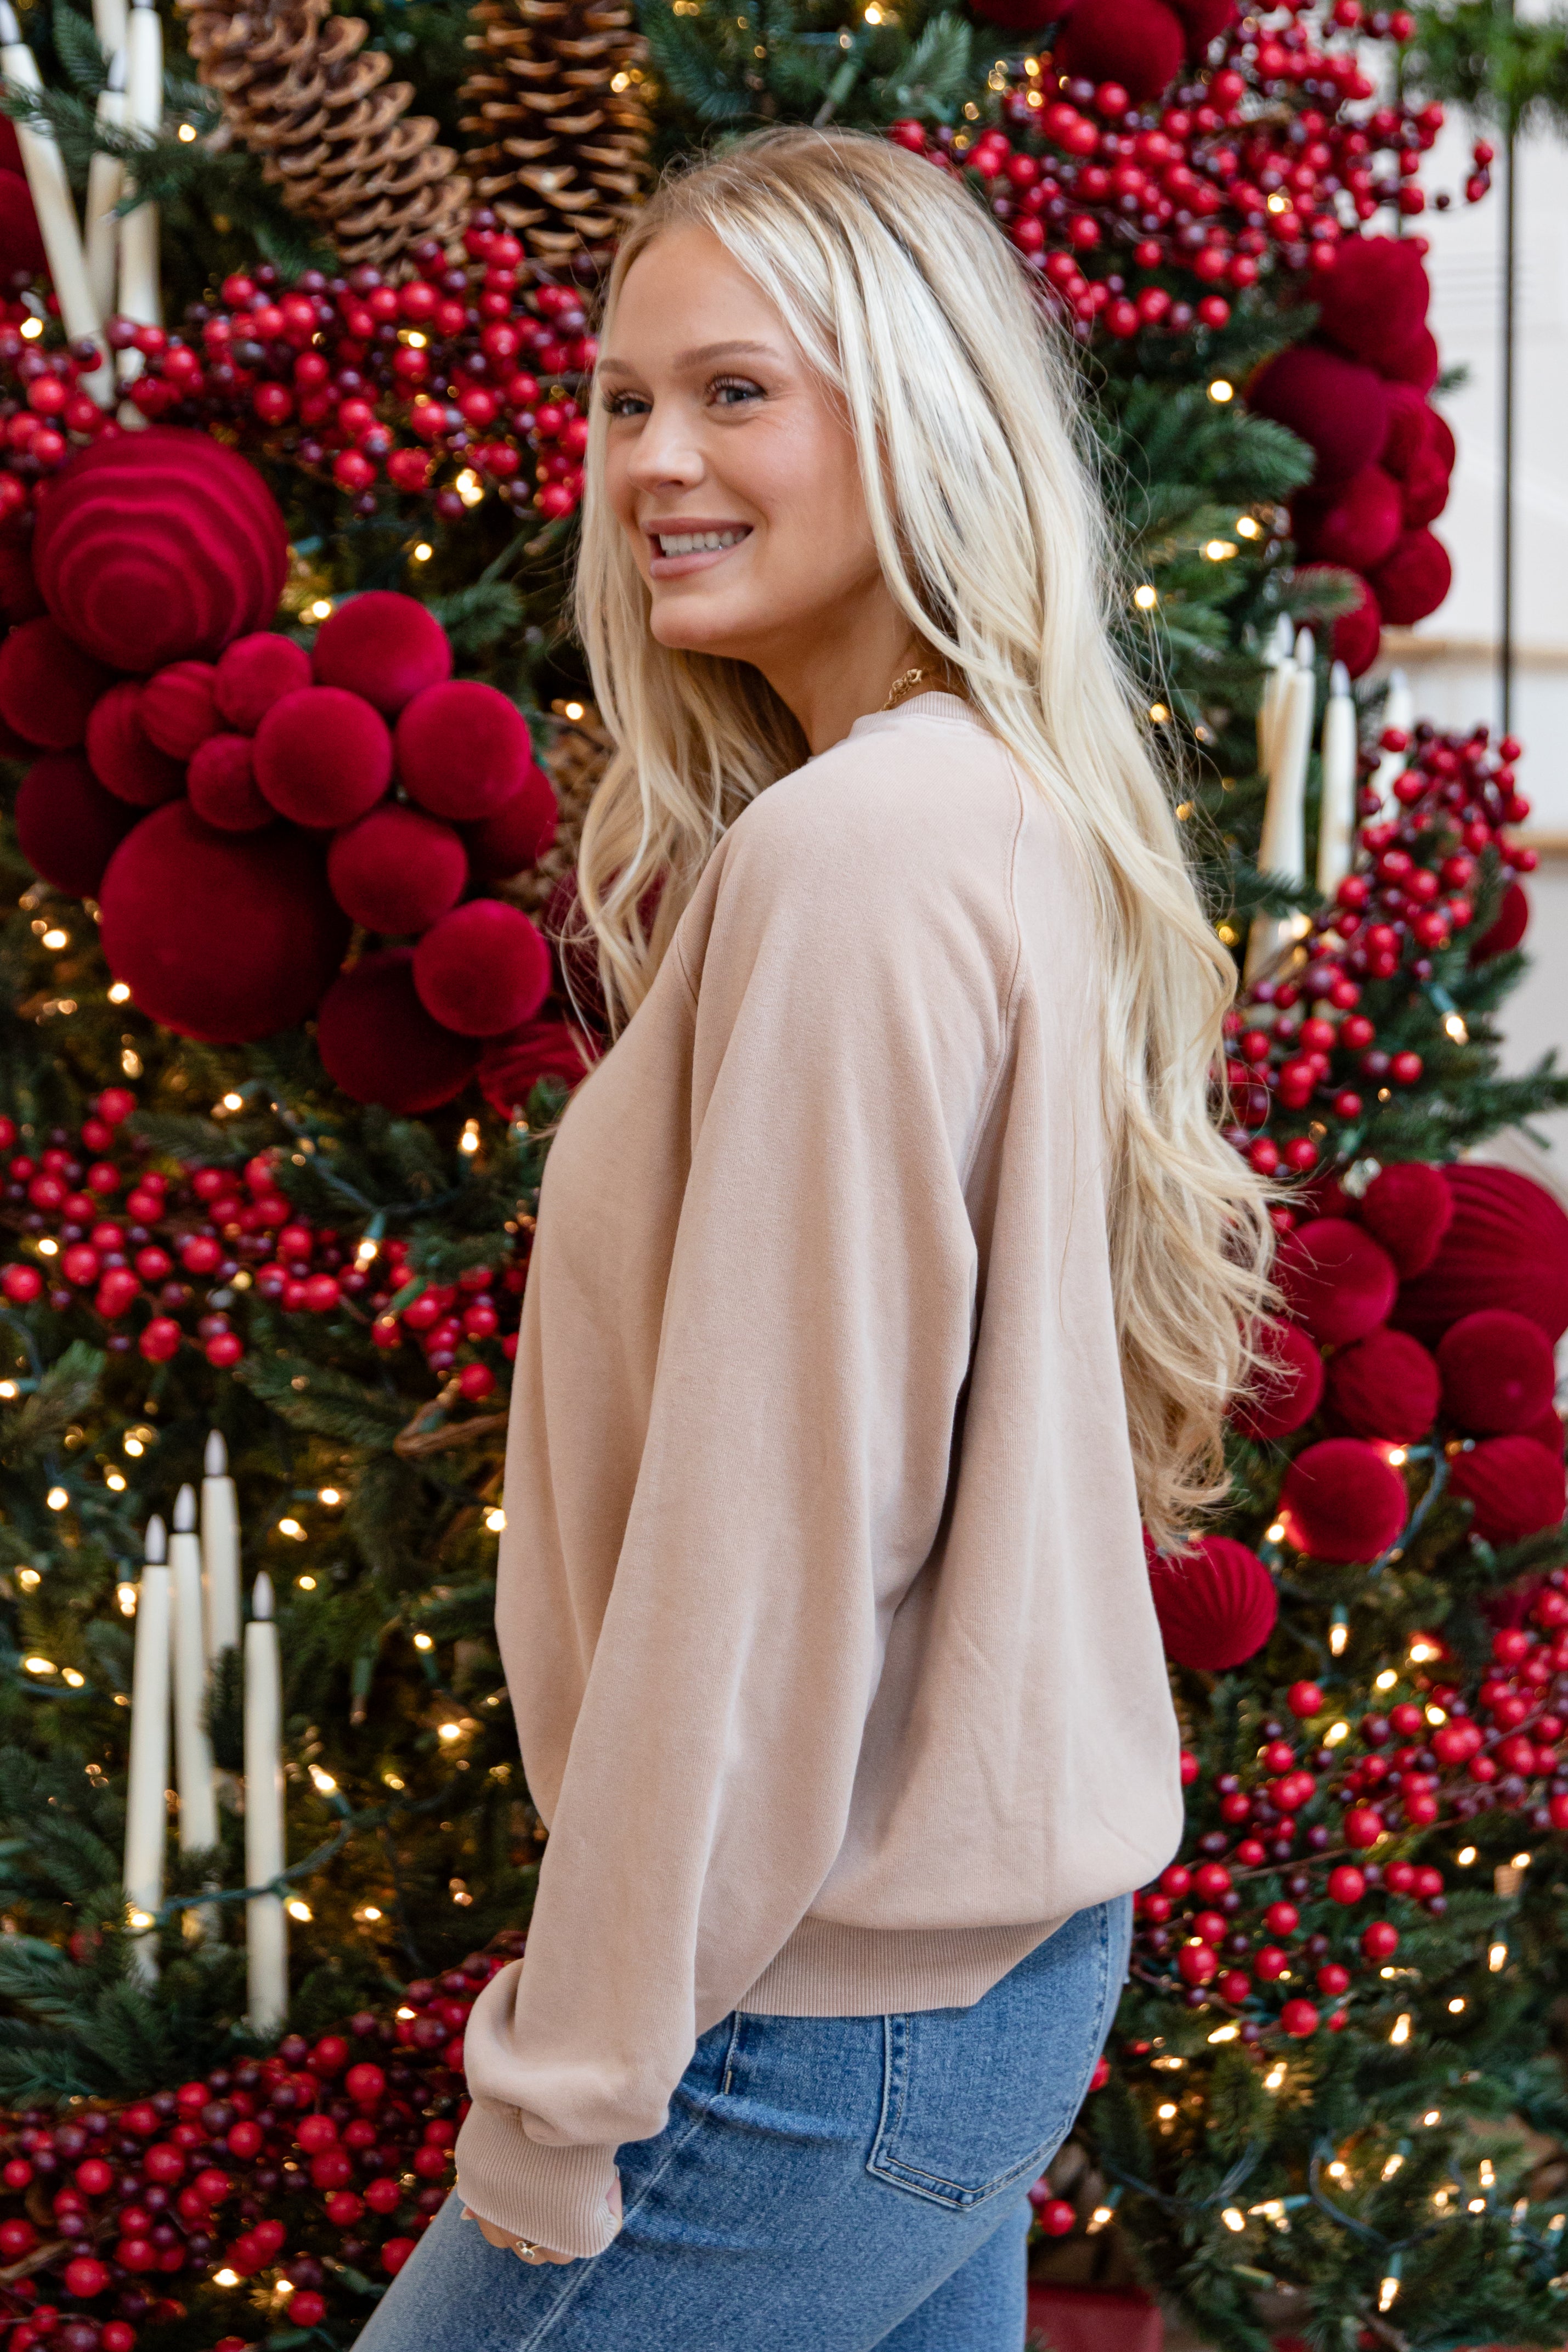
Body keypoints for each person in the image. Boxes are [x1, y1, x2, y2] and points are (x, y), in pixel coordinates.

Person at [358, 124, 1277, 2352]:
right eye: (618, 400)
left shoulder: (859, 854)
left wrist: (570, 2092)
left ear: (918, 408)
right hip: (968, 1980)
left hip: (810, 2014)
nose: (654, 458)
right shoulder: (975, 802)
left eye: (735, 391)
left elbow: (762, 1548)